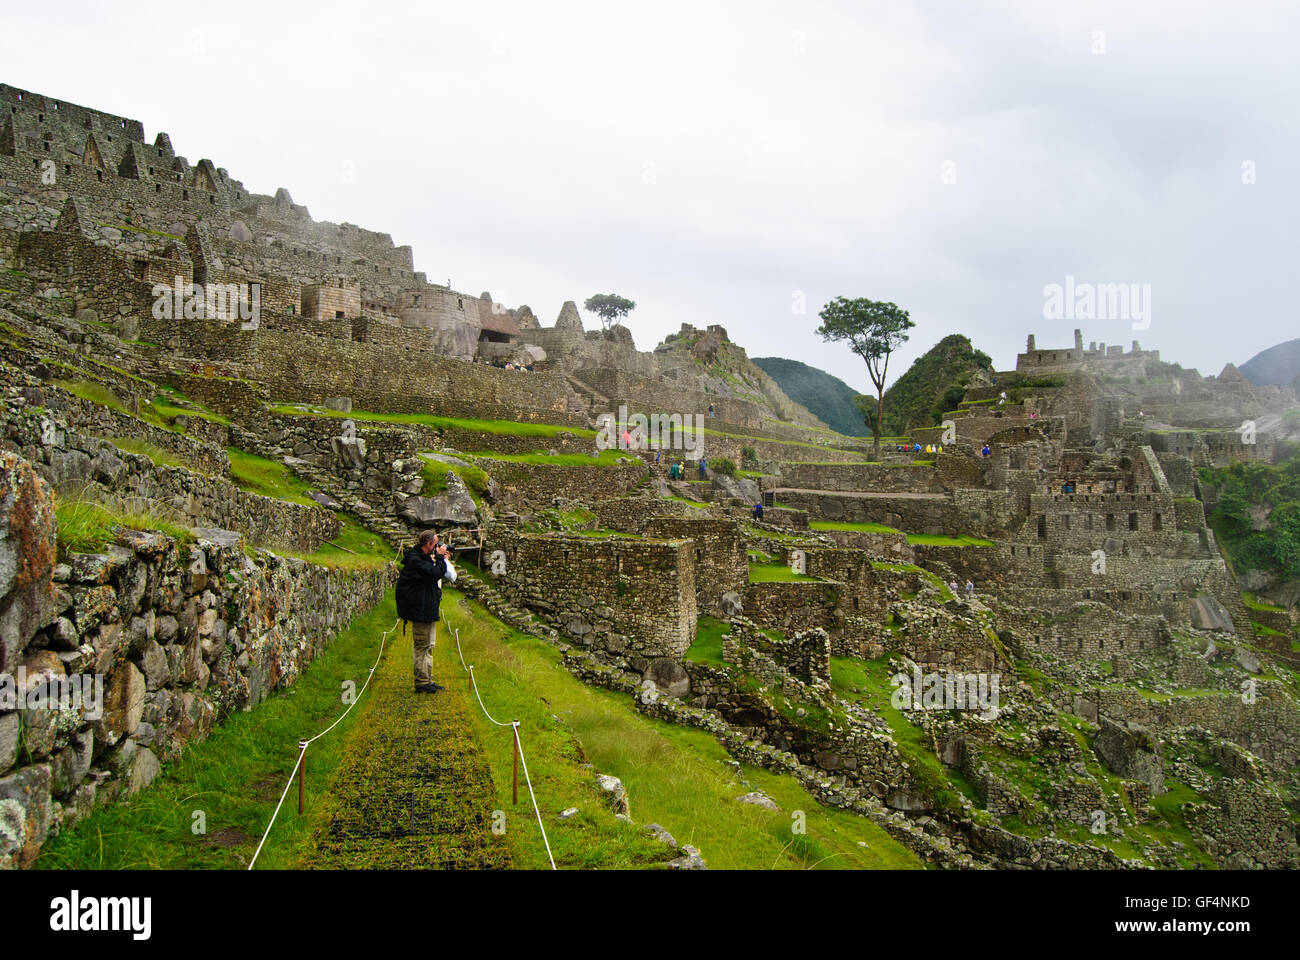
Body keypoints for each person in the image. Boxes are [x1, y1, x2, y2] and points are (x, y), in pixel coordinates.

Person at [395, 530, 454, 694]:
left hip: (426, 608)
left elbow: (434, 573)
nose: (437, 547)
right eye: (435, 545)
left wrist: (440, 558)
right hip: (420, 610)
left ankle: (428, 679)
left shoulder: (421, 558)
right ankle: (421, 682)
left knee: (429, 645)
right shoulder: (416, 560)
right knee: (422, 645)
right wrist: (441, 558)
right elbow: (435, 573)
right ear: (428, 544)